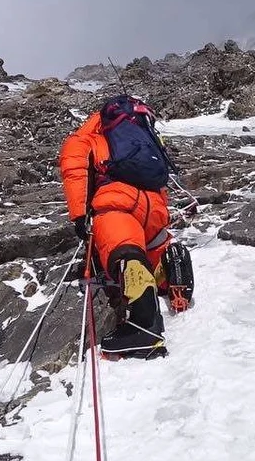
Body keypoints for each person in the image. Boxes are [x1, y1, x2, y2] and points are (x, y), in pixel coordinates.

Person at [58, 94, 172, 357]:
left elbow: (74, 169)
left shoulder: (88, 139)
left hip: (118, 204)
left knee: (126, 253)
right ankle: (168, 272)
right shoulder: (143, 139)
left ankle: (144, 329)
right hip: (153, 206)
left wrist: (79, 216)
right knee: (151, 249)